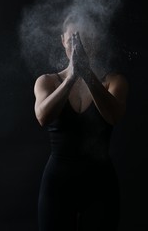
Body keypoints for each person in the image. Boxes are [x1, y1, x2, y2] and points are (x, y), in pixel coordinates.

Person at [33, 13, 128, 231]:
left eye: (87, 37)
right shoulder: (46, 81)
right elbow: (42, 117)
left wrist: (87, 74)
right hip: (57, 185)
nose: (80, 44)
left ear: (97, 39)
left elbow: (113, 116)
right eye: (74, 37)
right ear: (63, 40)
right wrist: (72, 77)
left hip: (101, 184)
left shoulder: (114, 81)